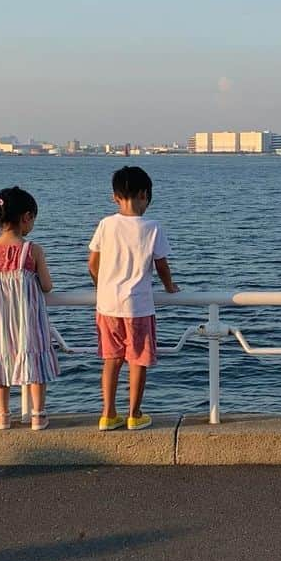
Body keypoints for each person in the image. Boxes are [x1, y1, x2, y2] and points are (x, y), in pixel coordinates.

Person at [88, 165, 179, 432]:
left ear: (115, 197)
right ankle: (134, 414)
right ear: (144, 195)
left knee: (111, 360)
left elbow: (93, 263)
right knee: (137, 360)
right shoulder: (152, 227)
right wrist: (170, 286)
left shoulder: (106, 224)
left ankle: (107, 414)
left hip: (107, 305)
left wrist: (101, 286)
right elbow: (161, 265)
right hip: (138, 306)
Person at [0, 186, 59, 430]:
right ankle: (38, 414)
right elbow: (47, 285)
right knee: (34, 359)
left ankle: (2, 415)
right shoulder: (32, 250)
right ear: (26, 217)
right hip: (28, 317)